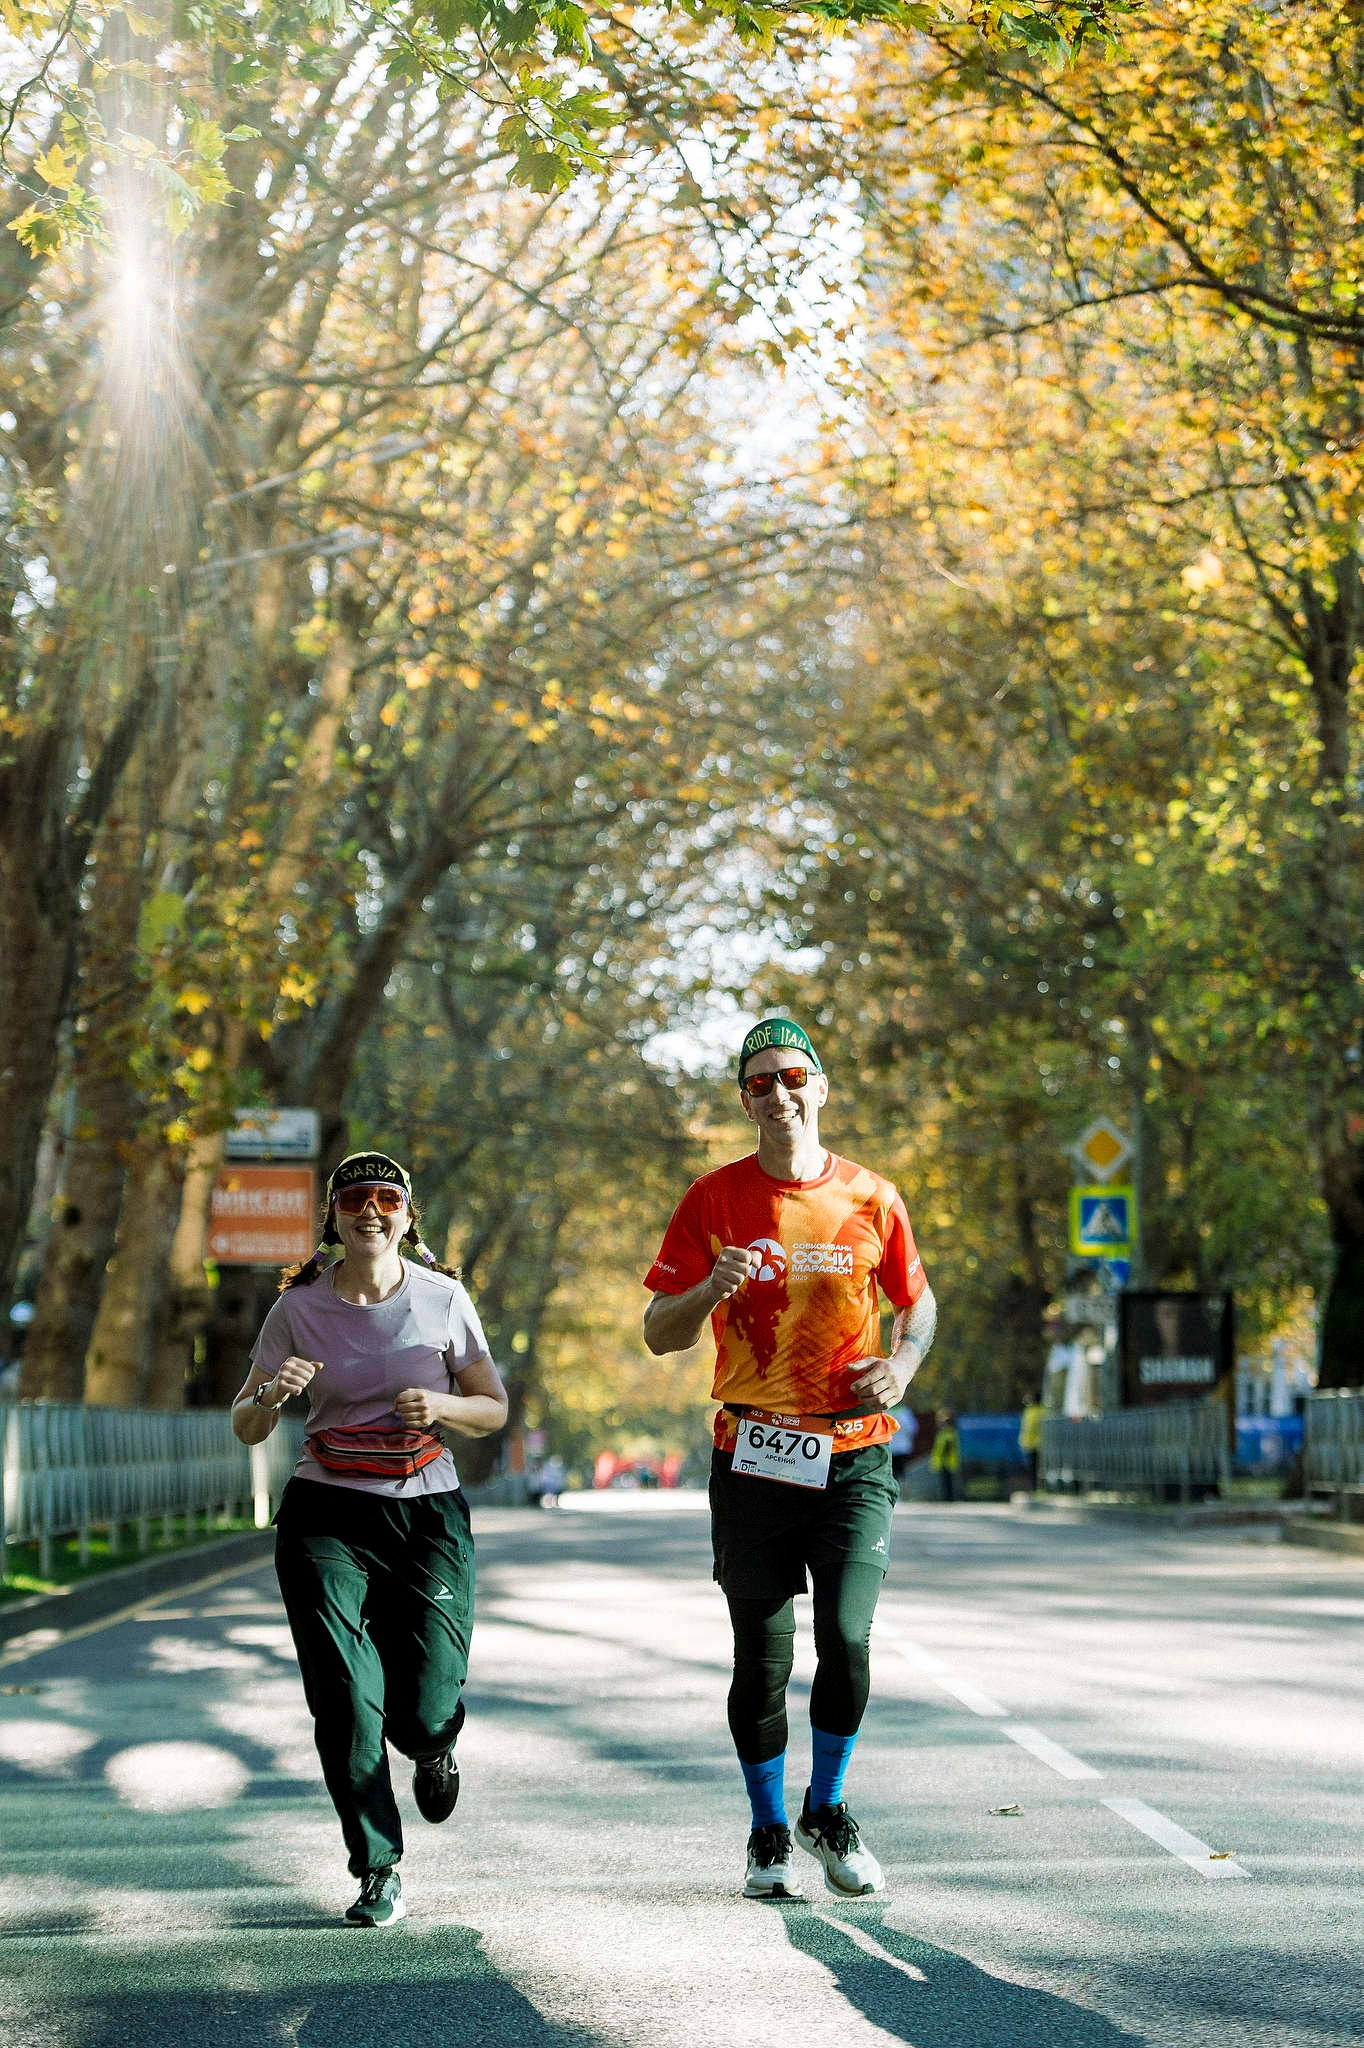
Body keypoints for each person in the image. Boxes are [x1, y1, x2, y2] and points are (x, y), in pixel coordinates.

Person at [642, 1017, 936, 1903]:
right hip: (755, 1458)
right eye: (761, 1082)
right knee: (761, 1657)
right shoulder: (712, 1199)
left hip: (852, 1457)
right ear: (744, 1099)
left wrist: (903, 1367)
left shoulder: (872, 1197)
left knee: (846, 1641)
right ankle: (768, 1829)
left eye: (794, 1076)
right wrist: (709, 1287)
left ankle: (827, 1807)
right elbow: (658, 1333)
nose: (780, 1094)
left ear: (822, 1085)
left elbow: (917, 1308)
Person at [231, 1150, 508, 1928]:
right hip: (327, 1512)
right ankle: (377, 1865)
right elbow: (246, 1423)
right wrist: (270, 1394)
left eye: (387, 1198)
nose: (371, 1210)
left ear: (407, 1215)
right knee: (347, 1701)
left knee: (419, 1707)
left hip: (426, 1512)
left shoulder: (444, 1300)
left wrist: (444, 1408)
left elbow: (493, 1406)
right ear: (335, 1215)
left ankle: (434, 1743)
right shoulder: (298, 1308)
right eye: (355, 1198)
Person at [930, 1409, 960, 1502]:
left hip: (949, 1461)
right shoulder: (941, 1432)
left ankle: (950, 1498)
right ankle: (946, 1498)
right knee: (944, 1482)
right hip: (942, 1461)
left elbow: (950, 1447)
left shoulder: (950, 1432)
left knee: (950, 1482)